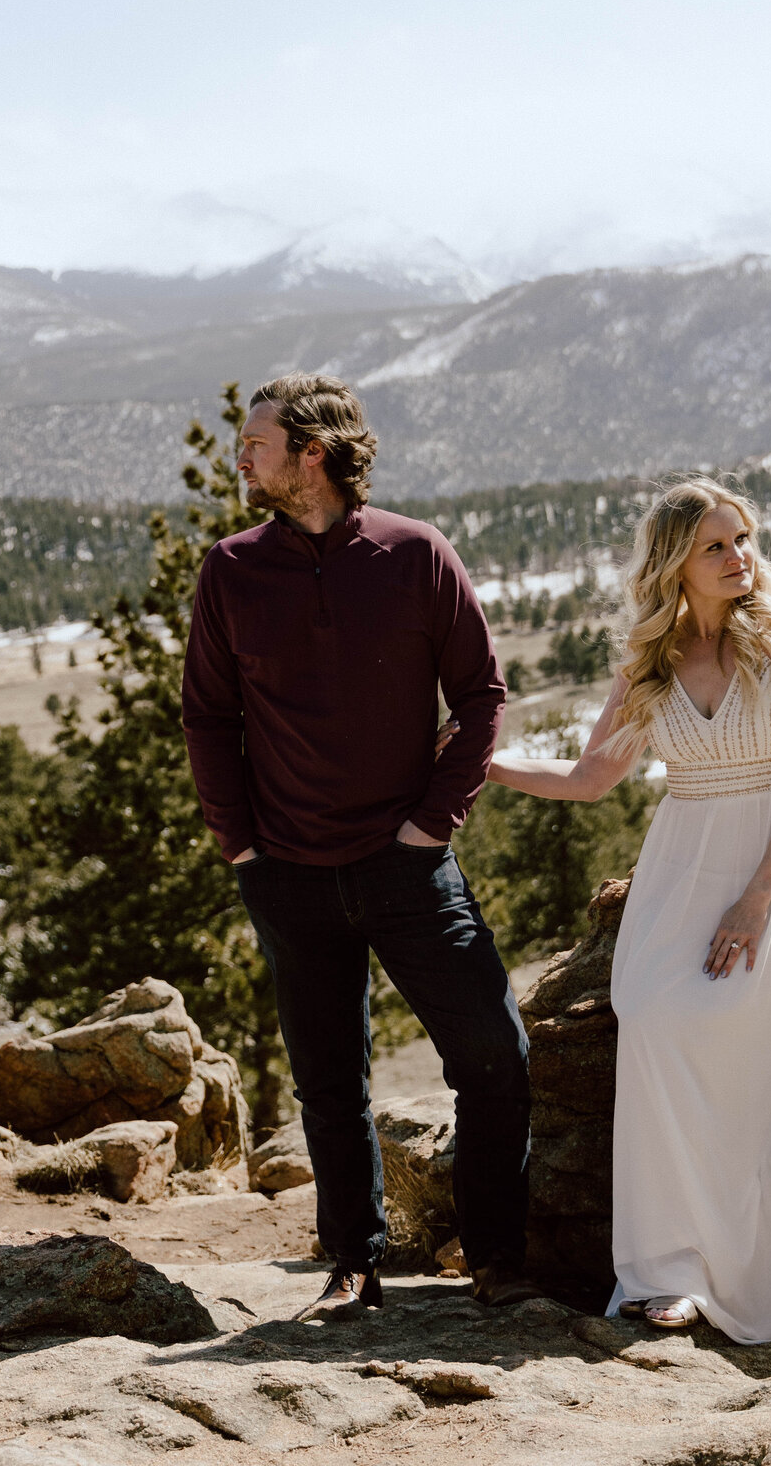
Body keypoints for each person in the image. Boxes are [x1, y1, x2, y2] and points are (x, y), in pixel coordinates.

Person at [181, 372, 536, 1318]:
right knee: (328, 1083)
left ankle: (500, 1258)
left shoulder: (416, 555)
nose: (240, 455)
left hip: (408, 866)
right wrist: (240, 849)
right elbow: (207, 719)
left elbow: (481, 699)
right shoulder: (231, 568)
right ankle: (352, 1263)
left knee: (495, 1054)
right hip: (287, 873)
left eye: (256, 441)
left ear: (312, 454)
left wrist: (431, 826)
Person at [486, 476, 771, 1341]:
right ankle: (666, 1271)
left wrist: (757, 899)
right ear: (674, 565)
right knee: (650, 1017)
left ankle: (732, 1275)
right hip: (680, 870)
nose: (739, 559)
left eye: (745, 540)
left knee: (728, 1041)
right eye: (715, 547)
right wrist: (488, 767)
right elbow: (590, 778)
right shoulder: (649, 665)